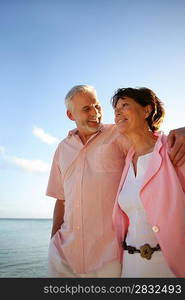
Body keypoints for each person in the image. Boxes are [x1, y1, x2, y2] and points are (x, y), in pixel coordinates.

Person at [46, 84, 185, 278]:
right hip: (63, 254)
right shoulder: (62, 148)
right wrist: (53, 240)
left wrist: (181, 131)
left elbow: (151, 141)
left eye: (97, 106)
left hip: (107, 258)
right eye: (86, 109)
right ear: (71, 115)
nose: (95, 112)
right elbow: (61, 199)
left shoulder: (119, 133)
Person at [112, 87, 185, 278]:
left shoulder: (174, 149)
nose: (118, 112)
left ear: (147, 110)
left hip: (169, 269)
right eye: (116, 109)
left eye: (125, 105)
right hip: (129, 268)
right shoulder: (127, 162)